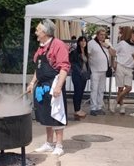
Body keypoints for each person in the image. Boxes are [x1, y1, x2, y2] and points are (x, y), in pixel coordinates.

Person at [26, 19, 70, 157]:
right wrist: (32, 83)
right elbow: (37, 69)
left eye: (38, 30)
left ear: (45, 32)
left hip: (53, 84)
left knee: (56, 114)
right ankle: (49, 143)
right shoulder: (41, 47)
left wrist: (58, 86)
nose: (36, 32)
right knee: (45, 114)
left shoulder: (58, 45)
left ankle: (59, 145)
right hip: (41, 85)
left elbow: (64, 67)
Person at [87, 27, 115, 116]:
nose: (103, 36)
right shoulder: (91, 43)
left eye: (104, 35)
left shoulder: (107, 43)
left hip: (104, 70)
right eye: (101, 34)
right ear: (97, 34)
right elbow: (87, 54)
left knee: (101, 90)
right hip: (94, 70)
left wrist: (108, 46)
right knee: (94, 89)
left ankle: (99, 107)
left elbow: (114, 53)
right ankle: (93, 108)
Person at [113, 28, 134, 114]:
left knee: (129, 88)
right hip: (120, 66)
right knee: (120, 88)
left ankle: (116, 100)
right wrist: (114, 62)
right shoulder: (122, 43)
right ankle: (122, 106)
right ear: (132, 34)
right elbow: (114, 52)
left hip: (130, 68)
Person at [69, 36, 89, 119]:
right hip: (77, 75)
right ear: (78, 42)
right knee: (77, 92)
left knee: (81, 92)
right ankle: (76, 109)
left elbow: (87, 64)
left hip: (84, 75)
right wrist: (79, 71)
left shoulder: (86, 52)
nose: (83, 42)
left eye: (85, 41)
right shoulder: (74, 52)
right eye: (81, 41)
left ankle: (79, 108)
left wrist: (87, 73)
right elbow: (72, 63)